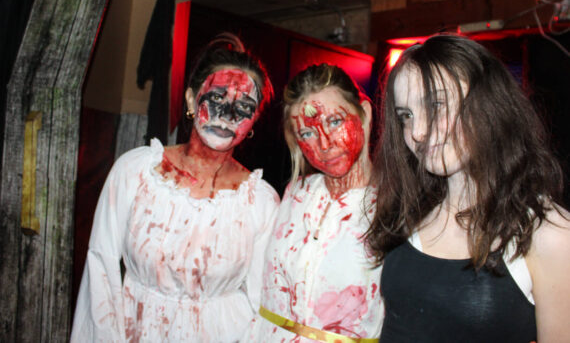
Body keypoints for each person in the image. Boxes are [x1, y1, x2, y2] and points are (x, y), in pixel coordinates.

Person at [71, 33, 280, 342]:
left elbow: (260, 302)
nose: (227, 116)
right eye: (217, 98)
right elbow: (101, 271)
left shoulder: (261, 201)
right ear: (190, 99)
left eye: (244, 106)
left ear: (255, 119)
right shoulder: (137, 171)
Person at [367, 33, 570, 342]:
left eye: (436, 105)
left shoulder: (548, 233)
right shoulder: (410, 210)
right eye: (405, 116)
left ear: (488, 104)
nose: (418, 132)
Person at [242, 64, 383, 343]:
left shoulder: (396, 207)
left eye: (334, 122)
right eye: (307, 133)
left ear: (364, 114)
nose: (324, 143)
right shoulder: (296, 194)